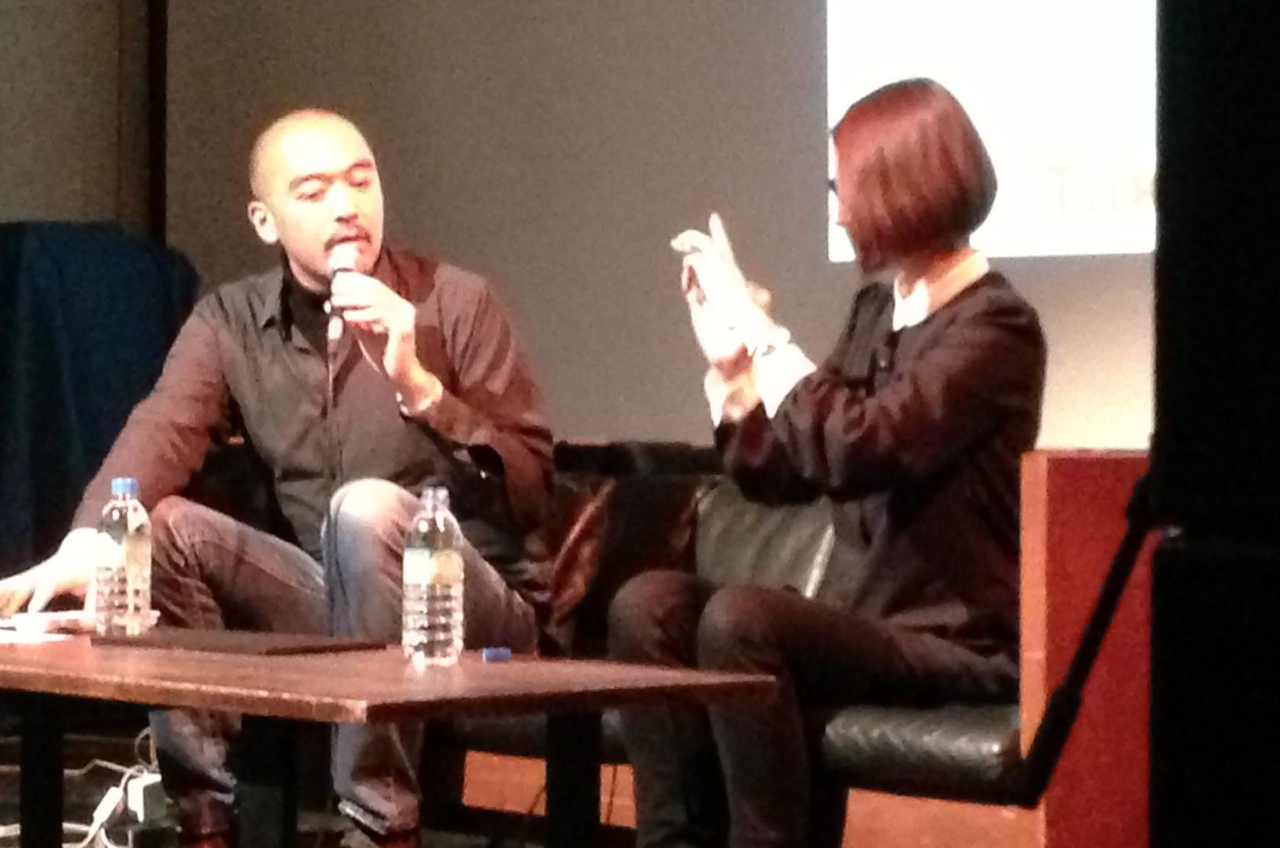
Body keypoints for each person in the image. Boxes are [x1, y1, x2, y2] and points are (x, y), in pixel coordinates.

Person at [0, 109, 552, 848]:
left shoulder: (455, 302)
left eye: (361, 182)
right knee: (160, 528)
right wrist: (87, 544)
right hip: (335, 603)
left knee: (367, 510)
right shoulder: (232, 321)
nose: (347, 207)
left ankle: (379, 826)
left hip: (476, 613)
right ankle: (205, 818)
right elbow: (163, 428)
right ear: (265, 220)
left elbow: (532, 490)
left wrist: (421, 387)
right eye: (315, 191)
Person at [608, 78, 1047, 848]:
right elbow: (783, 472)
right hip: (865, 624)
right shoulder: (877, 311)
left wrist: (768, 338)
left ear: (902, 188)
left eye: (844, 191)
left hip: (952, 638)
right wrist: (736, 371)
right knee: (648, 605)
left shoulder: (996, 327)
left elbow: (866, 443)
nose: (839, 214)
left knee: (742, 620)